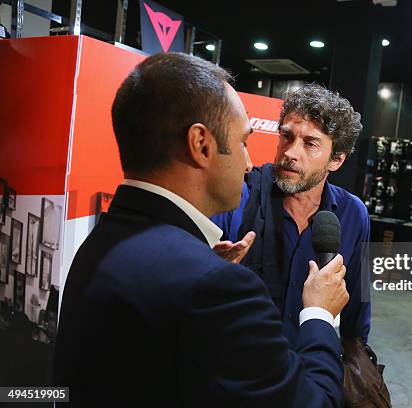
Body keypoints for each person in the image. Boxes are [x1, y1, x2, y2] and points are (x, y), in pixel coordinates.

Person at [52, 53, 349, 407]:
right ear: (201, 144)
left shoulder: (101, 242)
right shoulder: (216, 286)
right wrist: (320, 314)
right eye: (242, 142)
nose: (250, 162)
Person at [212, 83, 371, 349]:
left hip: (310, 368)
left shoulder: (353, 214)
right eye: (286, 136)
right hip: (237, 365)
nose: (289, 153)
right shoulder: (241, 194)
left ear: (336, 160)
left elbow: (357, 307)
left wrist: (356, 363)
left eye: (310, 143)